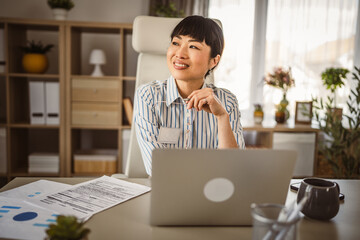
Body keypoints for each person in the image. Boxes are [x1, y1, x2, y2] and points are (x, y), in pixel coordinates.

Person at [134, 15, 245, 176]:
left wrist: (222, 117)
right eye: (175, 43)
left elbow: (233, 170)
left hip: (212, 195)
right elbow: (158, 169)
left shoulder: (227, 101)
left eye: (193, 46)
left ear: (214, 61)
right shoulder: (149, 96)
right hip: (166, 194)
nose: (179, 53)